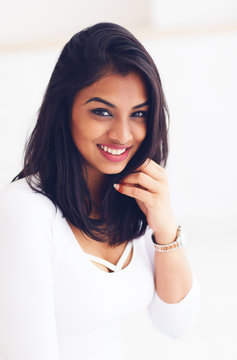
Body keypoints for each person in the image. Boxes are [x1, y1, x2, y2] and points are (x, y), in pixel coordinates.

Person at [0, 22, 200, 360]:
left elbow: (175, 323)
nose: (123, 135)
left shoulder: (135, 198)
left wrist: (165, 226)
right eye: (102, 111)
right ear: (64, 110)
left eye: (139, 114)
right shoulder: (25, 212)